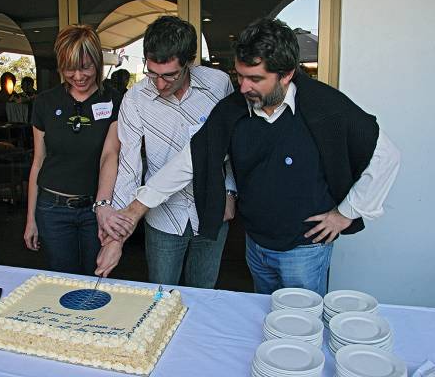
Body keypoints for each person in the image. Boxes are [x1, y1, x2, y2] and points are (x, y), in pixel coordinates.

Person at [97, 18, 400, 297]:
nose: (243, 87)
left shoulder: (326, 106)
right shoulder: (233, 108)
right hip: (256, 245)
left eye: (254, 79)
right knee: (264, 319)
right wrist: (134, 211)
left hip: (305, 250)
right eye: (240, 76)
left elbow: (386, 156)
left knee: (301, 325)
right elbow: (191, 161)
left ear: (286, 75)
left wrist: (346, 214)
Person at [96, 16, 236, 288]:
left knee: (203, 295)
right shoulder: (135, 99)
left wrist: (230, 191)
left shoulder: (219, 85)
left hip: (212, 211)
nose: (159, 84)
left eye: (170, 75)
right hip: (162, 217)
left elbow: (232, 146)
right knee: (160, 295)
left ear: (189, 62)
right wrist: (118, 235)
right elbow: (129, 168)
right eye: (152, 73)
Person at [23, 24, 125, 275]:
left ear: (98, 63)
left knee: (99, 279)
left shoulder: (114, 100)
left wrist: (103, 206)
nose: (78, 76)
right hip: (52, 208)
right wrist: (30, 219)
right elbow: (38, 162)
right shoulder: (45, 102)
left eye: (85, 67)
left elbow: (110, 155)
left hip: (95, 209)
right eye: (70, 68)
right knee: (63, 280)